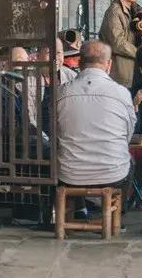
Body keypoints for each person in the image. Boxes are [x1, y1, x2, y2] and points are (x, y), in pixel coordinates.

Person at [56, 40, 136, 192]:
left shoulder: (61, 92)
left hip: (70, 175)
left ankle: (79, 209)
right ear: (109, 64)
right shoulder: (122, 93)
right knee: (130, 162)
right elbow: (127, 134)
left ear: (79, 63)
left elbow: (55, 132)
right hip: (113, 175)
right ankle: (117, 212)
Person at [99, 0, 140, 88]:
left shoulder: (136, 9)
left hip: (135, 72)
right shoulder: (114, 12)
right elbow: (117, 43)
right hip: (122, 75)